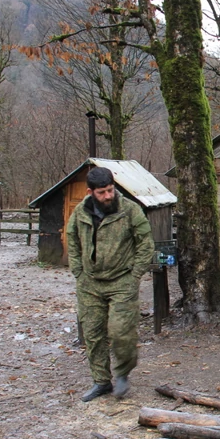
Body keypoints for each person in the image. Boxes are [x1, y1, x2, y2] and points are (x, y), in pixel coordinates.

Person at [66, 167, 154, 402]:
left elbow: (145, 243)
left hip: (122, 281)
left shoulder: (130, 210)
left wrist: (135, 275)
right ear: (90, 191)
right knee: (93, 333)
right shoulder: (81, 211)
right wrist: (77, 270)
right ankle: (101, 381)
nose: (107, 196)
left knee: (120, 331)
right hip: (90, 283)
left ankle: (123, 373)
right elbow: (71, 237)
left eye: (110, 190)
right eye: (102, 192)